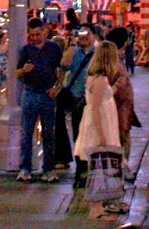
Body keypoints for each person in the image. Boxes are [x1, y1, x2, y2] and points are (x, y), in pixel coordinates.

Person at [76, 41, 128, 220]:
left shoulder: (99, 79)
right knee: (98, 168)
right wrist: (101, 135)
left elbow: (102, 98)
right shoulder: (99, 80)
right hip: (100, 126)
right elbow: (97, 107)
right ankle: (95, 208)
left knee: (99, 167)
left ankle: (98, 206)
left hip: (102, 124)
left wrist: (116, 87)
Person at [16, 18, 62, 182]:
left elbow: (62, 69)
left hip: (48, 94)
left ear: (45, 32)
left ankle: (48, 169)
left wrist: (57, 87)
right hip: (30, 93)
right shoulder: (26, 50)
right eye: (32, 35)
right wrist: (24, 70)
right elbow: (16, 73)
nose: (35, 38)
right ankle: (25, 168)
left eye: (38, 34)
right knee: (26, 132)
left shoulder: (54, 48)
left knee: (48, 133)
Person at [55, 30, 94, 182]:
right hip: (76, 98)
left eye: (87, 34)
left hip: (93, 98)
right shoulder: (75, 52)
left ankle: (89, 166)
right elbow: (64, 65)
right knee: (78, 133)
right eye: (81, 34)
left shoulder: (98, 52)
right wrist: (72, 44)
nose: (84, 37)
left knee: (90, 134)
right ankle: (81, 168)